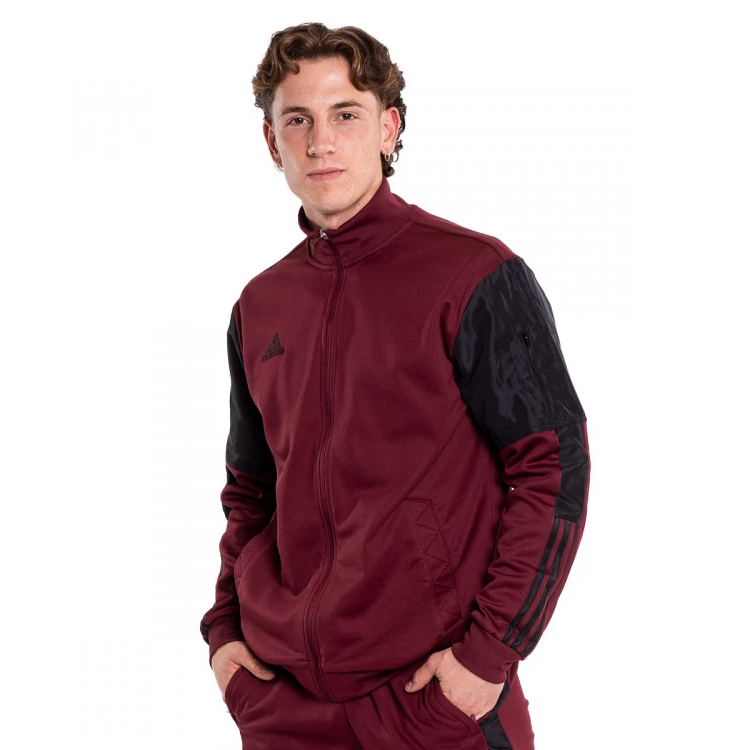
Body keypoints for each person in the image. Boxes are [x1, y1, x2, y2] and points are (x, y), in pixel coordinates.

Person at [199, 22, 591, 750]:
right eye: (297, 120)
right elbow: (249, 491)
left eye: (345, 114)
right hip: (283, 706)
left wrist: (489, 655)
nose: (321, 142)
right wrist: (225, 634)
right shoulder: (260, 305)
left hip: (430, 702)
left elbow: (553, 466)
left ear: (388, 127)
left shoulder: (474, 275)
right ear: (271, 142)